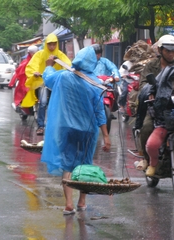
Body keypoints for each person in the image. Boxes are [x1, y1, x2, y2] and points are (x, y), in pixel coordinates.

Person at [41, 46, 111, 215]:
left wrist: (49, 65)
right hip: (88, 131)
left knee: (68, 164)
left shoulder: (63, 76)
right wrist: (106, 135)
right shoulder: (94, 83)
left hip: (67, 129)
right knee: (85, 164)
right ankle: (82, 202)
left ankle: (68, 204)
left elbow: (48, 79)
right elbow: (100, 111)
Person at [134, 34, 174, 171]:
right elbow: (143, 84)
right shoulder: (151, 66)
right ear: (160, 50)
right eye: (168, 50)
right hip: (155, 107)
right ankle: (146, 158)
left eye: (173, 51)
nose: (171, 54)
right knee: (146, 128)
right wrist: (150, 91)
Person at [24, 33, 71, 135]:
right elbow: (32, 66)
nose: (52, 46)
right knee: (43, 102)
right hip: (42, 83)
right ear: (46, 44)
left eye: (54, 44)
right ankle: (40, 126)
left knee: (61, 103)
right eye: (49, 44)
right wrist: (35, 73)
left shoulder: (60, 55)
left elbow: (68, 66)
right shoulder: (39, 54)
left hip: (56, 84)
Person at [92, 44, 121, 119]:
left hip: (106, 84)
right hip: (93, 85)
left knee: (115, 92)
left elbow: (113, 68)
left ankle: (111, 109)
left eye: (99, 53)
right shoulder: (89, 63)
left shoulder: (105, 61)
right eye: (96, 53)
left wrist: (116, 76)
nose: (97, 55)